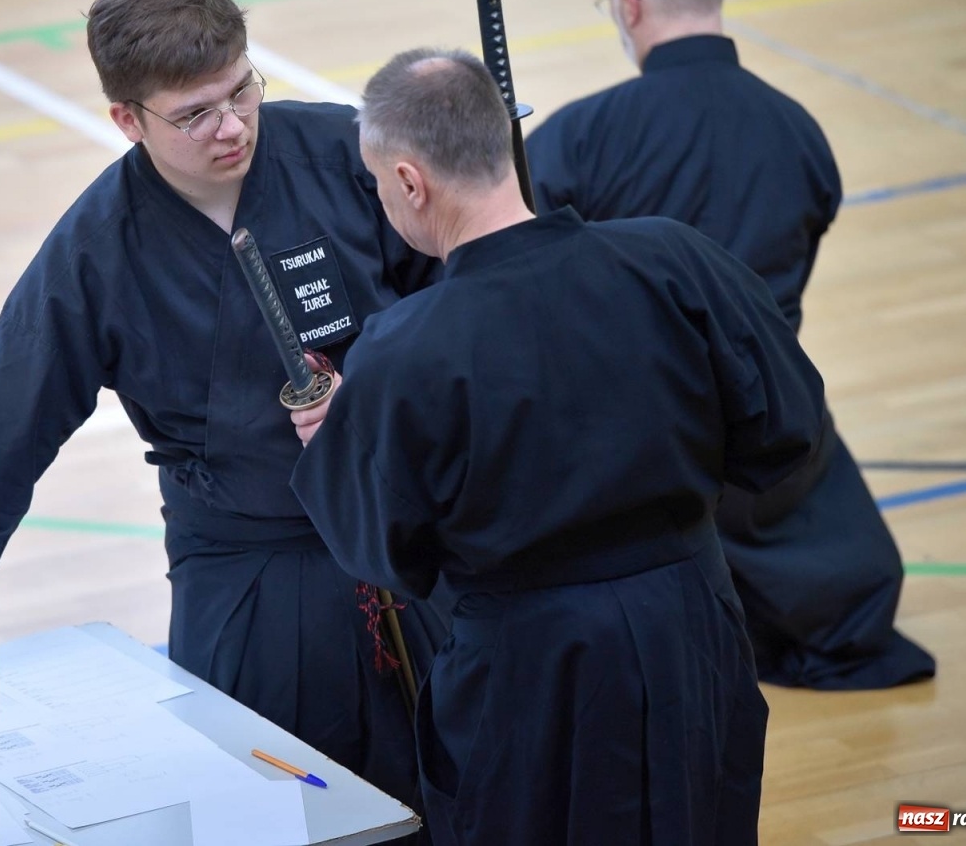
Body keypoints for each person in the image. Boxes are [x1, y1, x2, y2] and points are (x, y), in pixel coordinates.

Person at [0, 0, 446, 820]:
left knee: (447, 789)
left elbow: (458, 310)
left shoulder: (346, 154)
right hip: (248, 572)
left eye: (241, 91)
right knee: (268, 808)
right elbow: (1, 422)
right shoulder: (97, 249)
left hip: (407, 533)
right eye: (194, 114)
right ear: (127, 119)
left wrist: (381, 395)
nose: (231, 126)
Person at [291, 48, 829, 845]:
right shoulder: (674, 260)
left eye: (380, 185)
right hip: (692, 627)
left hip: (533, 669)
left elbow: (382, 551)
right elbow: (788, 429)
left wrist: (341, 436)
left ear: (409, 181)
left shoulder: (404, 349)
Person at [525, 0, 935, 690]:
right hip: (771, 426)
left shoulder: (584, 137)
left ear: (629, 4)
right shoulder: (799, 131)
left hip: (641, 446)